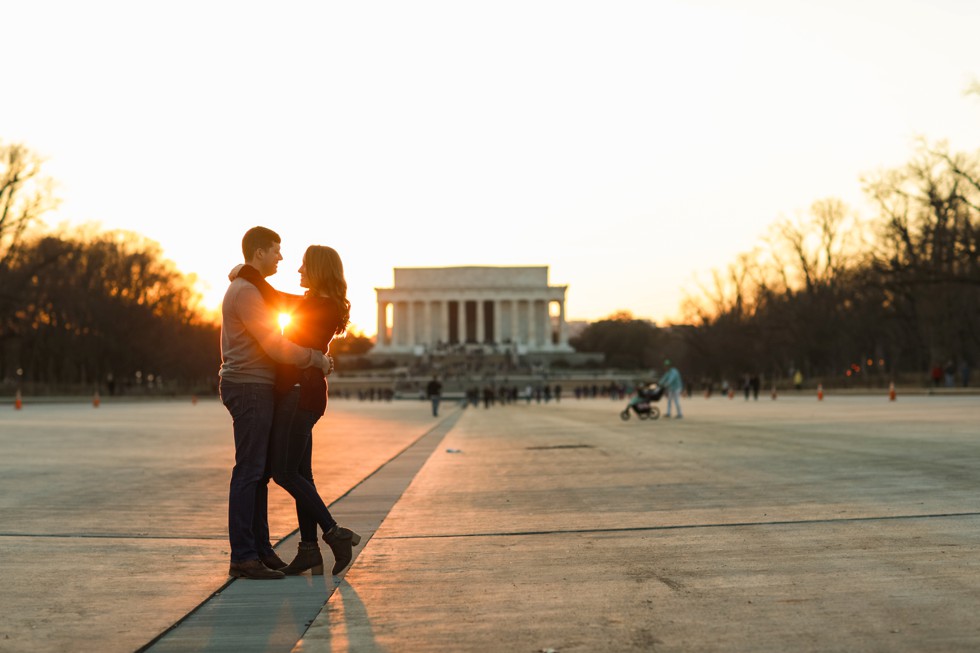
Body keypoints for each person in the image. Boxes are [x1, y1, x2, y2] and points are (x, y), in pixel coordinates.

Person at [235, 245, 362, 577]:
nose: (298, 270)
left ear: (318, 269)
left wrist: (246, 273)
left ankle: (335, 533)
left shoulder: (320, 306)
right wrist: (245, 274)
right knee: (301, 474)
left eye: (304, 265)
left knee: (285, 473)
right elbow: (277, 297)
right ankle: (309, 550)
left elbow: (282, 330)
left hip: (299, 394)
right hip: (302, 393)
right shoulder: (319, 303)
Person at [218, 227, 334, 580]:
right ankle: (244, 555)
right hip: (249, 385)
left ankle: (261, 549)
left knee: (260, 473)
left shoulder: (252, 287)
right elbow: (275, 346)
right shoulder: (247, 292)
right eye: (276, 251)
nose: (281, 258)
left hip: (258, 385)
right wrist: (316, 358)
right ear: (259, 253)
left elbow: (292, 303)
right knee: (250, 471)